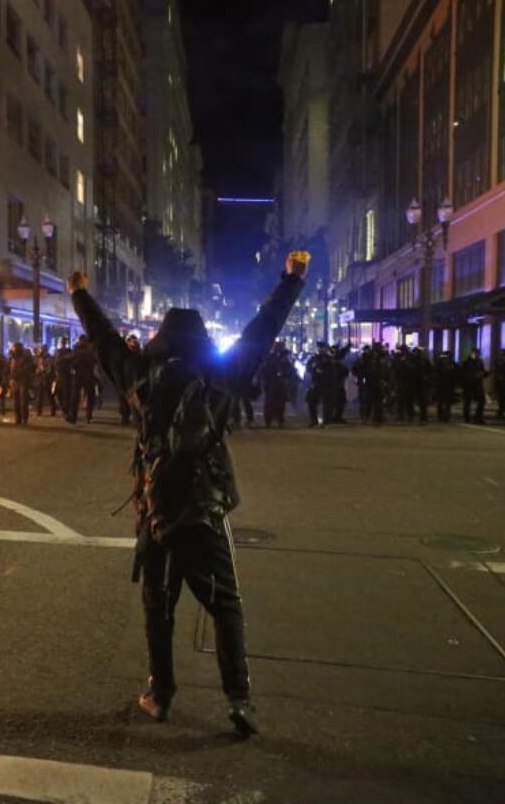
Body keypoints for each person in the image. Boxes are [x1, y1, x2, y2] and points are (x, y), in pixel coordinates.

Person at [69, 251, 308, 738]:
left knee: (159, 606)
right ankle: (238, 698)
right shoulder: (220, 375)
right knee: (225, 603)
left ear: (159, 338)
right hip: (203, 504)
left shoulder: (139, 375)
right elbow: (262, 330)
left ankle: (161, 694)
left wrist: (79, 293)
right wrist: (291, 281)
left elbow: (104, 338)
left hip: (155, 506)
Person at [259, 343, 292, 428]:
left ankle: (279, 420)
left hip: (280, 383)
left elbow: (289, 370)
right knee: (270, 403)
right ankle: (269, 421)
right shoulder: (270, 358)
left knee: (280, 403)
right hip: (272, 382)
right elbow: (264, 370)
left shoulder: (283, 358)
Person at [72, 336, 99, 423]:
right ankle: (87, 416)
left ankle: (74, 416)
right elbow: (95, 361)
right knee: (88, 396)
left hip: (82, 375)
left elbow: (73, 362)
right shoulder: (89, 350)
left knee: (76, 396)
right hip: (87, 375)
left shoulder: (77, 350)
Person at [8, 341, 35, 425]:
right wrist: (10, 378)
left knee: (23, 401)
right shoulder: (12, 358)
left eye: (14, 347)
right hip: (15, 381)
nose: (13, 349)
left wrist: (18, 374)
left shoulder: (25, 357)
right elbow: (9, 369)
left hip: (23, 380)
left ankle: (24, 418)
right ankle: (18, 418)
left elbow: (28, 369)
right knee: (16, 401)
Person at [460, 349, 487, 424]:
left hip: (477, 384)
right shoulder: (467, 363)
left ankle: (478, 417)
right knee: (468, 401)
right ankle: (467, 417)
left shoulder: (479, 362)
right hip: (469, 385)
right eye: (476, 354)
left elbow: (482, 371)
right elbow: (464, 374)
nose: (477, 355)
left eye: (478, 354)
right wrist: (474, 376)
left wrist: (484, 374)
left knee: (481, 401)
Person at [118, 335, 141, 425]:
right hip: (126, 380)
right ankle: (126, 417)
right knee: (125, 400)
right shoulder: (124, 356)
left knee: (134, 400)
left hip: (135, 381)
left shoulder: (139, 356)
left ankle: (135, 419)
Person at [53, 337, 77, 423]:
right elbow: (54, 363)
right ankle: (64, 408)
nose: (62, 343)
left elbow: (69, 361)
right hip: (58, 375)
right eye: (61, 341)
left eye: (63, 341)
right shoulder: (57, 351)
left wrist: (62, 360)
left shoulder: (69, 351)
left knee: (66, 394)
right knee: (57, 393)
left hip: (66, 375)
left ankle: (66, 411)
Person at [433, 351, 459, 423]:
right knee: (440, 401)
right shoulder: (439, 364)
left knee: (448, 402)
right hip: (440, 385)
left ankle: (446, 416)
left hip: (449, 385)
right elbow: (436, 373)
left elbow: (457, 373)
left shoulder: (453, 364)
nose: (448, 358)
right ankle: (440, 416)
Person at [33, 343, 57, 417]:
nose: (41, 350)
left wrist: (45, 371)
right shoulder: (36, 357)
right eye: (40, 348)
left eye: (42, 348)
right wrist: (37, 371)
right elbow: (34, 366)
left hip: (47, 378)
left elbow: (51, 367)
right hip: (39, 378)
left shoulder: (49, 357)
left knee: (49, 395)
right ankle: (39, 411)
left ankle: (53, 410)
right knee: (39, 396)